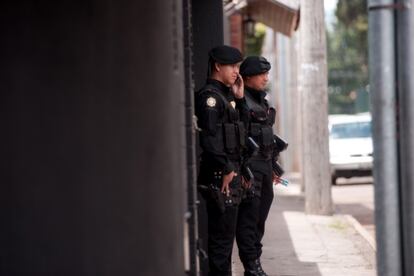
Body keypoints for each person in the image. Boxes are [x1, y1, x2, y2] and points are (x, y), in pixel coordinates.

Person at [195, 45, 249, 276]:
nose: (237, 72)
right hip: (220, 177)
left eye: (239, 66)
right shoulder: (210, 99)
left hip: (230, 175)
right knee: (220, 245)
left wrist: (239, 98)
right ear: (218, 66)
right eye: (233, 66)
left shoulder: (226, 98)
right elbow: (209, 139)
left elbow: (241, 134)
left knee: (226, 243)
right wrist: (226, 167)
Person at [236, 56, 283, 276]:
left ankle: (255, 263)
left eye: (267, 73)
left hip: (264, 166)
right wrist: (243, 170)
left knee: (260, 219)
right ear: (247, 77)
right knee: (249, 219)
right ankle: (252, 267)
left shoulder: (262, 101)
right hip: (250, 168)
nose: (266, 77)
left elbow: (267, 137)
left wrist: (273, 165)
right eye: (261, 74)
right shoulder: (240, 101)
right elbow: (239, 138)